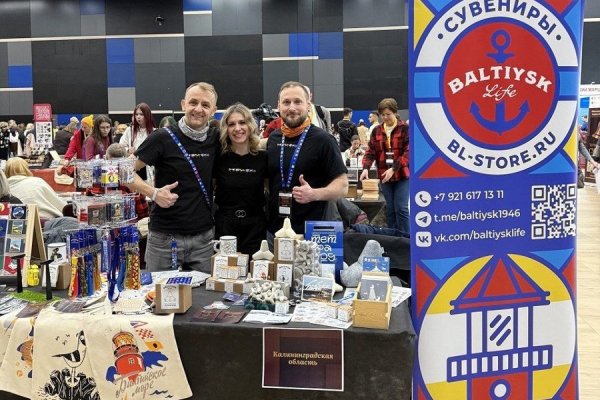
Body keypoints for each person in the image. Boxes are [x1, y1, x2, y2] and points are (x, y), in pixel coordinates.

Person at [124, 82, 220, 273]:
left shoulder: (215, 138)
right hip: (164, 240)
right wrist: (153, 193)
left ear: (213, 111)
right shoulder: (162, 137)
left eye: (205, 105)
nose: (198, 109)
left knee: (205, 293)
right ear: (183, 105)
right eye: (193, 102)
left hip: (204, 241)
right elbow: (123, 171)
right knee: (158, 292)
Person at [267, 81, 348, 236]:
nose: (292, 108)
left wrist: (314, 194)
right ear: (278, 106)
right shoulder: (274, 138)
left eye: (298, 102)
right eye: (286, 102)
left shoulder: (324, 140)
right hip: (275, 231)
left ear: (308, 105)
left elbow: (343, 186)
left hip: (311, 232)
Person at [214, 103, 267, 254]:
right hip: (225, 226)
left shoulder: (263, 157)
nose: (237, 128)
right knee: (226, 267)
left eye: (242, 122)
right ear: (226, 128)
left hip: (255, 226)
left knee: (254, 267)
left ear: (250, 125)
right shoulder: (219, 158)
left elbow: (269, 188)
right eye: (231, 124)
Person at [360, 98, 410, 233]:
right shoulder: (376, 130)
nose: (385, 117)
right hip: (384, 174)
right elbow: (370, 151)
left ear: (395, 113)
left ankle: (406, 238)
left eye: (388, 114)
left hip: (402, 174)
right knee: (390, 209)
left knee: (401, 208)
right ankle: (392, 238)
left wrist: (394, 168)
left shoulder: (405, 128)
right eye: (383, 114)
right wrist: (365, 168)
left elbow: (409, 152)